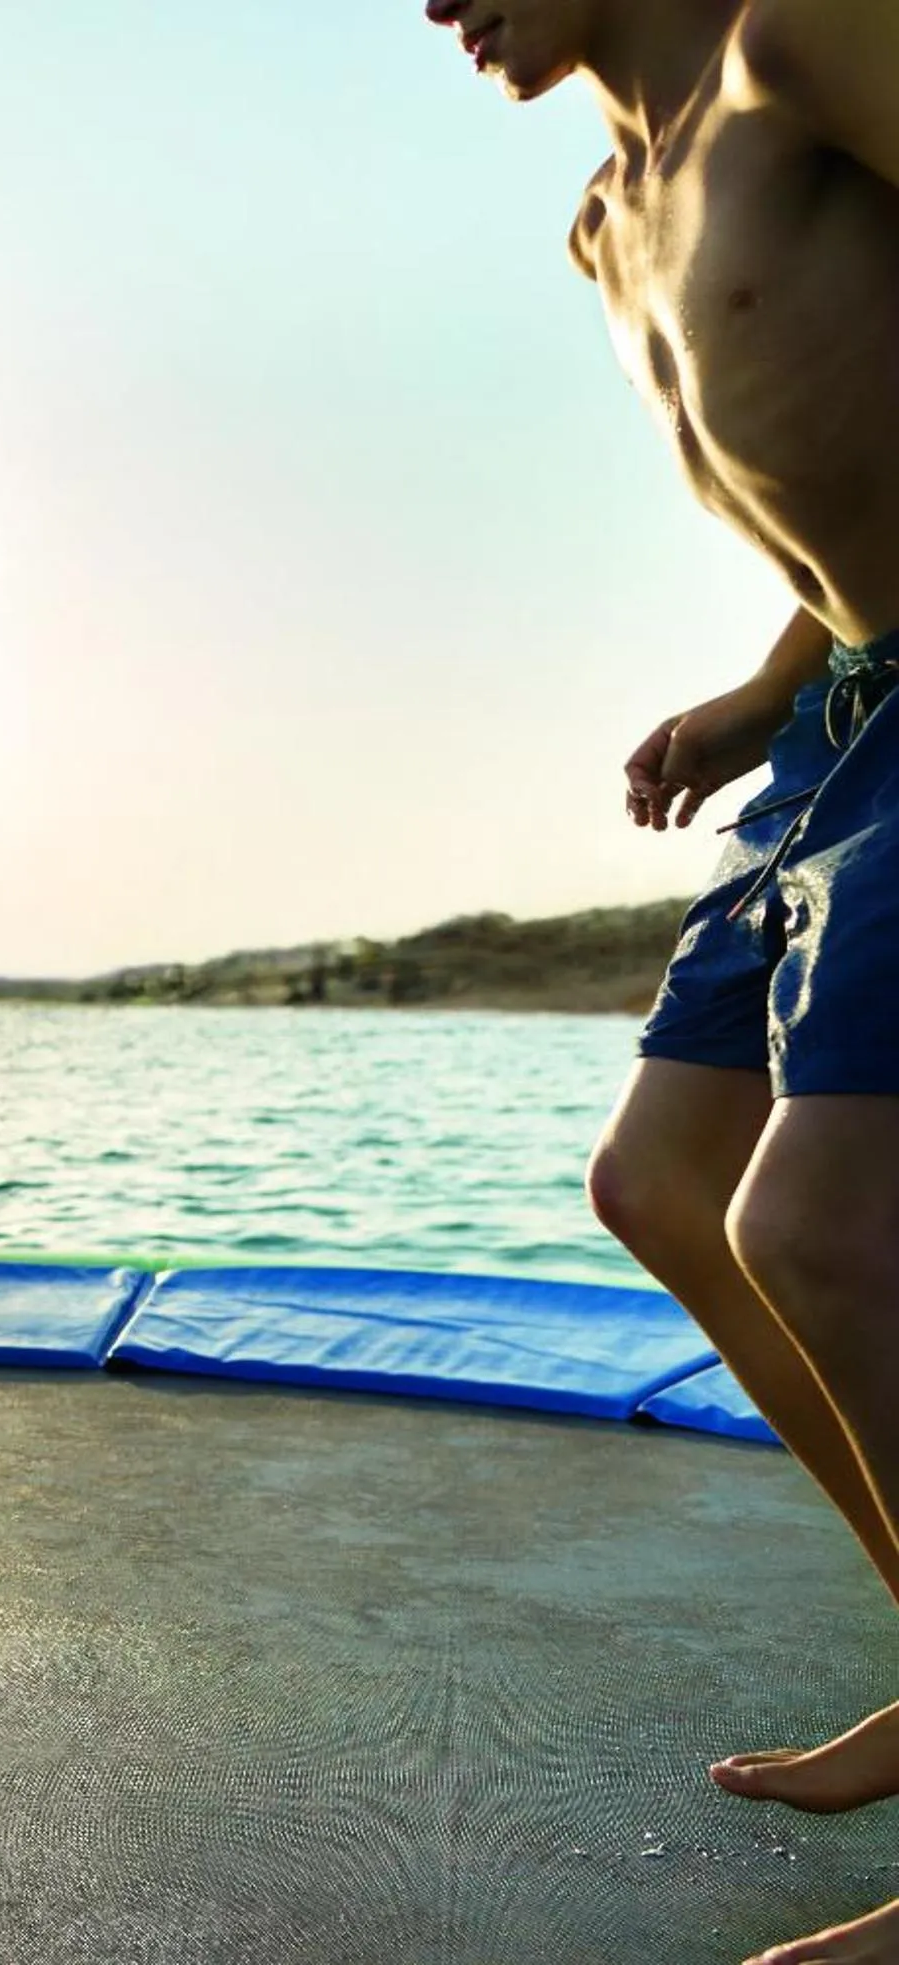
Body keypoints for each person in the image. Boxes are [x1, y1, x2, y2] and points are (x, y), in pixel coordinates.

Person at [424, 2, 899, 1958]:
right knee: (657, 1187)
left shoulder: (799, 44)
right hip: (841, 717)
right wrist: (768, 684)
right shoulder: (601, 216)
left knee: (821, 1220)